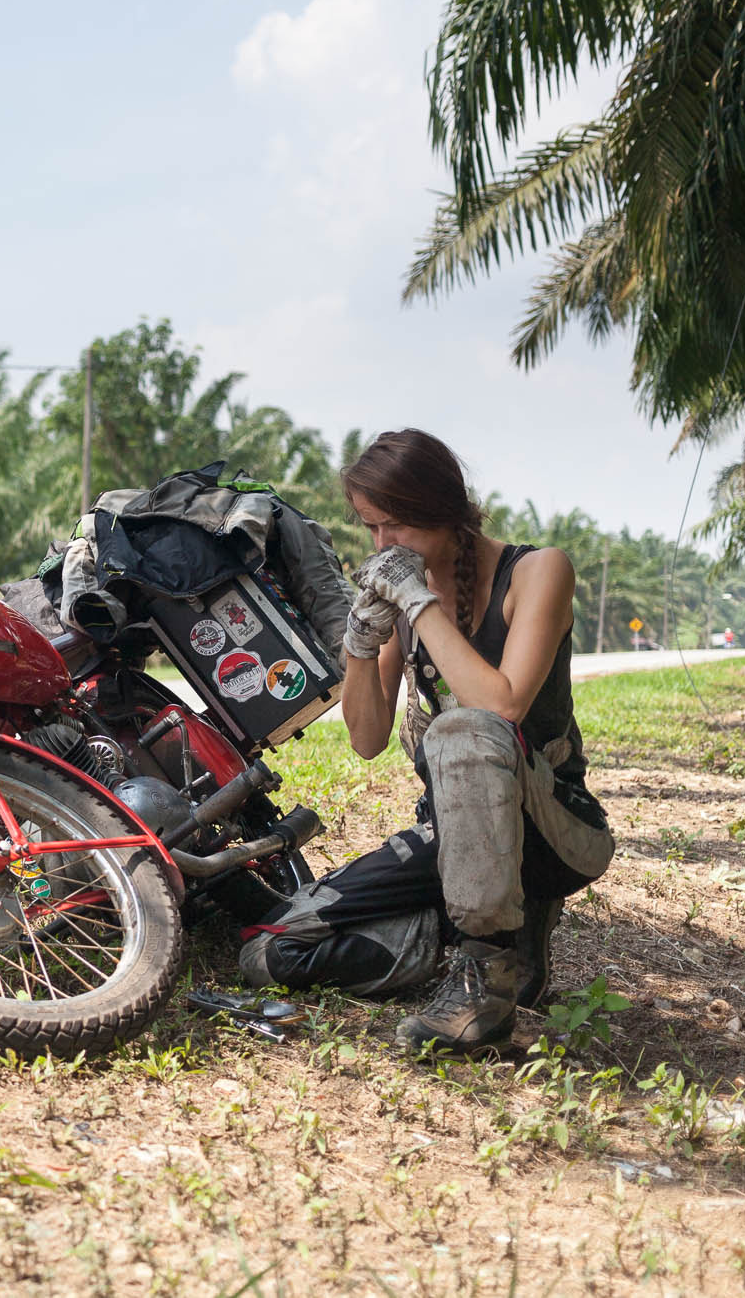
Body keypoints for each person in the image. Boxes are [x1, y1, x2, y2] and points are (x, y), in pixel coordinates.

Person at [238, 429, 615, 1055]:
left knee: (463, 729)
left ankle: (486, 987)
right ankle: (466, 940)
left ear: (446, 510)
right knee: (271, 946)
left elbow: (503, 702)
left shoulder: (538, 570)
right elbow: (365, 738)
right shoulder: (403, 602)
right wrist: (361, 643)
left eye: (398, 526)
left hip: (554, 831)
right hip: (449, 837)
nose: (384, 546)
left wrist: (417, 602)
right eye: (371, 529)